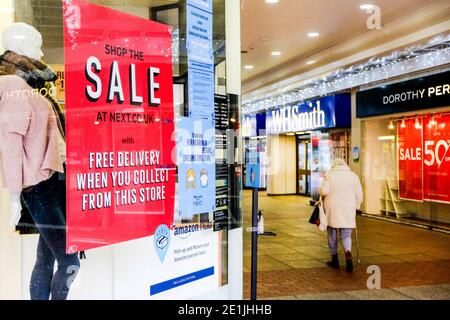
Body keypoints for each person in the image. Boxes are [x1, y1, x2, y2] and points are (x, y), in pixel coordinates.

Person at [0, 23, 79, 300]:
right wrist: (14, 196)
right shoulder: (11, 85)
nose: (43, 52)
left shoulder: (27, 83)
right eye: (38, 45)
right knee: (70, 262)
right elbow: (10, 143)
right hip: (39, 187)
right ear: (20, 48)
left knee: (46, 259)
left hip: (52, 180)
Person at [319, 158, 363, 272]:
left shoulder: (330, 175)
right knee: (346, 234)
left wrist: (320, 188)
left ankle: (335, 259)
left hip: (333, 208)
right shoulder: (353, 176)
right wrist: (357, 205)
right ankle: (348, 253)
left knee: (332, 233)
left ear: (334, 166)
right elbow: (359, 193)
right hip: (348, 208)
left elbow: (323, 191)